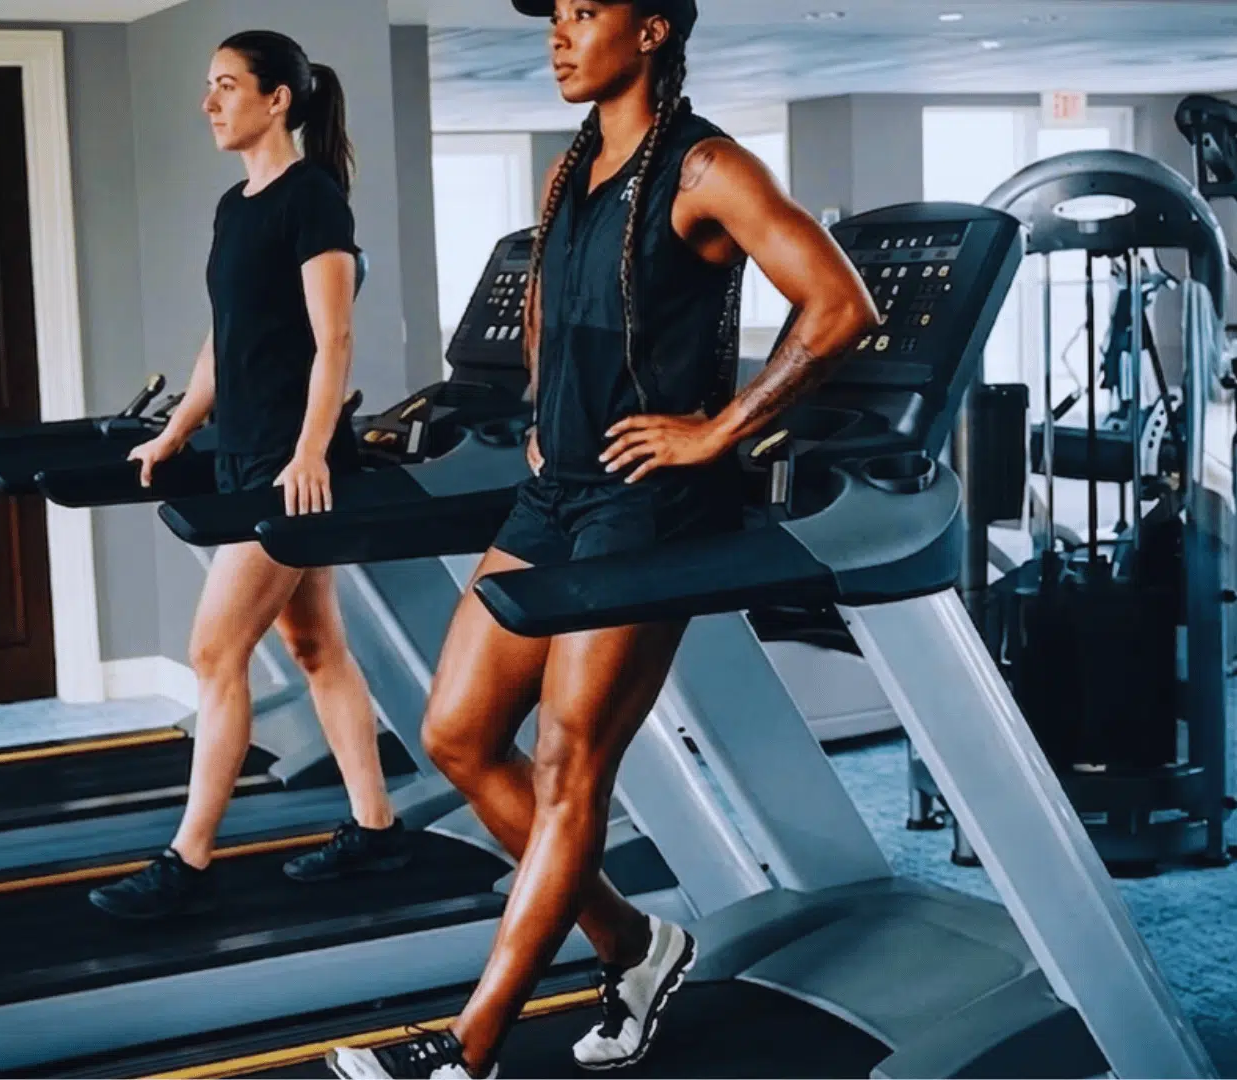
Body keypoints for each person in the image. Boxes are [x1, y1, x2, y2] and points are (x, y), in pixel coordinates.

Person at [323, 0, 879, 1076]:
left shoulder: (707, 168)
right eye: (556, 15)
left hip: (648, 503)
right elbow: (544, 300)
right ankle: (633, 943)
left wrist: (716, 429)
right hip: (561, 492)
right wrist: (542, 417)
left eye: (586, 11)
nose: (560, 33)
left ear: (655, 28)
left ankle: (467, 1049)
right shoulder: (570, 167)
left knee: (572, 761)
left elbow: (839, 306)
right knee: (458, 735)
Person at [89, 30, 410, 922]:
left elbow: (333, 337)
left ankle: (188, 860)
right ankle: (376, 829)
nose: (209, 101)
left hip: (287, 467)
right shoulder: (237, 207)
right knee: (316, 648)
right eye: (208, 86)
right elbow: (223, 342)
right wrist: (175, 432)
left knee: (212, 652)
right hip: (246, 451)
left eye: (226, 85)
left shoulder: (312, 200)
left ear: (279, 99)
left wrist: (310, 451)